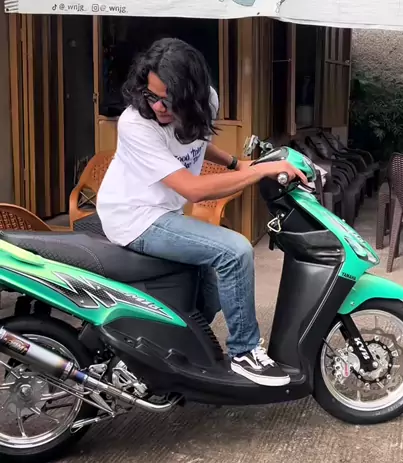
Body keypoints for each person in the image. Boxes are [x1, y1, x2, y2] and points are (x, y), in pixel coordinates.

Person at [97, 37, 306, 387]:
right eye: (151, 95)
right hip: (134, 218)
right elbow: (192, 189)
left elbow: (196, 140)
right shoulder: (136, 123)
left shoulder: (207, 99)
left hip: (166, 213)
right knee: (235, 251)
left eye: (168, 100)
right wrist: (257, 172)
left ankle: (166, 354)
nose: (158, 107)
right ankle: (245, 353)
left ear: (190, 96)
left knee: (207, 297)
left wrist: (237, 162)